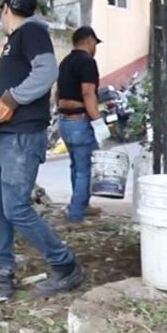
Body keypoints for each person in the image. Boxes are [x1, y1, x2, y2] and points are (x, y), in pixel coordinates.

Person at [0, 0, 84, 298]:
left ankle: (65, 266)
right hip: (6, 136)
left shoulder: (31, 31)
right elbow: (20, 84)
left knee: (16, 209)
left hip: (22, 137)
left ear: (4, 10)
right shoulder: (15, 41)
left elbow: (47, 71)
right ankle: (2, 270)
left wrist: (9, 100)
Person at [55, 26, 109, 223]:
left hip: (64, 120)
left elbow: (57, 93)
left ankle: (81, 205)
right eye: (95, 42)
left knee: (76, 166)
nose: (96, 47)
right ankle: (76, 213)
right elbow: (88, 93)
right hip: (79, 120)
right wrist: (97, 122)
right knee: (84, 168)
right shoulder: (87, 62)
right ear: (88, 40)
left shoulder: (65, 62)